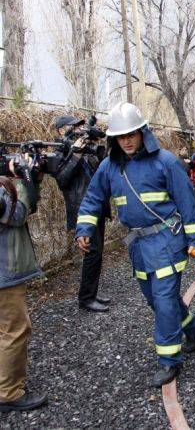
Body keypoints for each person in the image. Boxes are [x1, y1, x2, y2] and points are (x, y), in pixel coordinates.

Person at [75, 102, 195, 388]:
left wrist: (194, 241)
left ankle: (169, 361)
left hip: (167, 241)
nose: (127, 140)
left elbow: (187, 203)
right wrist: (83, 228)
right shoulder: (109, 167)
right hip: (139, 246)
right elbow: (93, 198)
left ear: (142, 131)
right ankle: (193, 326)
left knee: (163, 299)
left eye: (132, 133)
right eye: (121, 136)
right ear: (114, 139)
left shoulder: (166, 162)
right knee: (155, 300)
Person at [0, 156, 48, 412]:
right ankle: (9, 393)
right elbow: (17, 215)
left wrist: (31, 181)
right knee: (15, 329)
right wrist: (19, 180)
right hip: (4, 273)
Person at [53, 115, 111, 312]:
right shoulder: (60, 151)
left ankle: (90, 293)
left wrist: (94, 145)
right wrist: (75, 154)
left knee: (96, 253)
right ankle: (86, 298)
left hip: (97, 207)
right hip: (81, 209)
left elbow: (102, 171)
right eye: (75, 126)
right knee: (92, 253)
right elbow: (62, 180)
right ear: (62, 130)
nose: (80, 129)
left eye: (81, 126)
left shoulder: (87, 149)